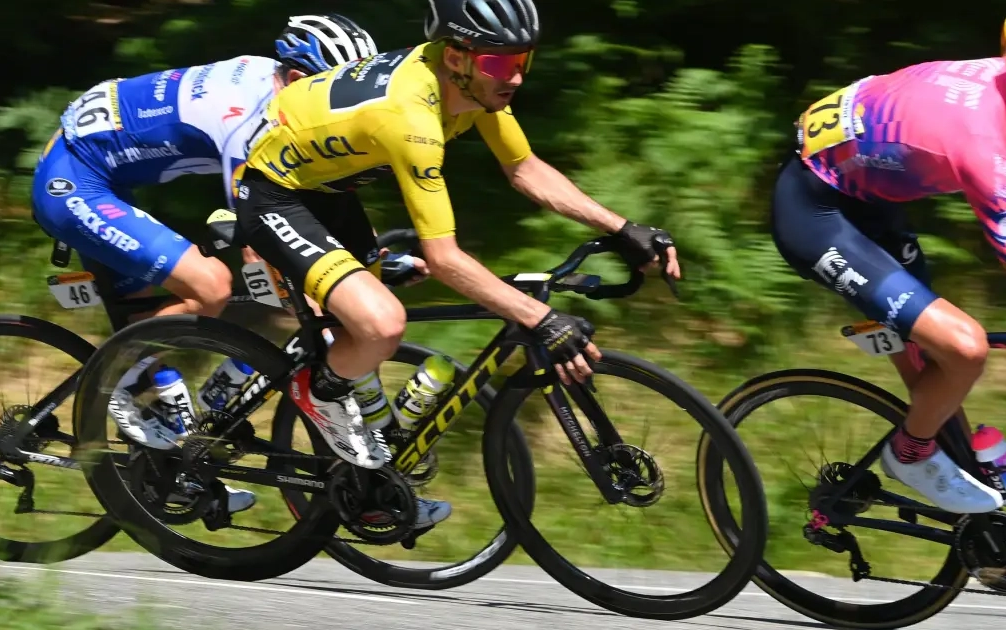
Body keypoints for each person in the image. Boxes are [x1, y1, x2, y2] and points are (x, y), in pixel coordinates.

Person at [231, 0, 681, 527]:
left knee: (358, 335)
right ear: (455, 58)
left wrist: (622, 228)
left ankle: (364, 484)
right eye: (499, 63)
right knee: (382, 324)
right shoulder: (411, 117)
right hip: (274, 193)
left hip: (329, 189)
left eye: (523, 60)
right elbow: (444, 258)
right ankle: (316, 390)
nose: (515, 76)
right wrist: (539, 318)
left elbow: (525, 168)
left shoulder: (477, 86)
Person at [30, 14, 383, 516]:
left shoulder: (280, 91)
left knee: (152, 338)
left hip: (108, 172)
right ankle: (112, 383)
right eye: (337, 93)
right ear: (298, 79)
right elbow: (261, 231)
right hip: (73, 180)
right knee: (210, 286)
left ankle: (168, 476)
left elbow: (311, 194)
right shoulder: (249, 118)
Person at [768, 55, 1006, 513]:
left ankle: (979, 503)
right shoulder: (980, 144)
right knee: (964, 348)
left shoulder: (998, 78)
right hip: (815, 212)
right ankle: (909, 455)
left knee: (936, 365)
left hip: (868, 199)